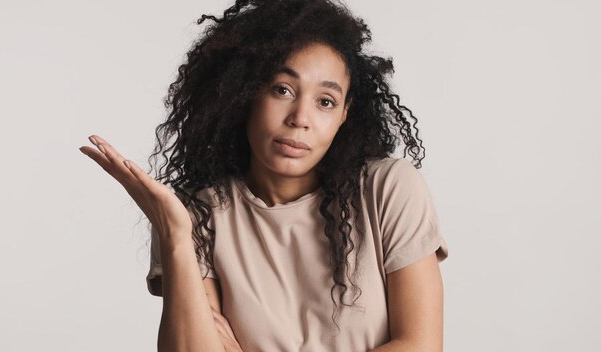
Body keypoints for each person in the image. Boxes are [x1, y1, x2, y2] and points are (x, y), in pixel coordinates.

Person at [79, 0, 449, 351]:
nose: (300, 118)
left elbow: (422, 345)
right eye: (282, 90)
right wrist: (175, 235)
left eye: (325, 101)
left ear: (344, 115)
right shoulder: (194, 212)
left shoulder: (388, 189)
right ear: (247, 94)